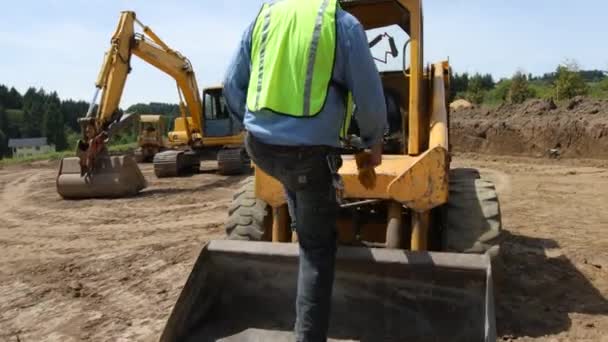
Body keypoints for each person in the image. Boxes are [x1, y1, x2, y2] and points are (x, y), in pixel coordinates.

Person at [224, 0, 387, 340]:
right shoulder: (342, 24)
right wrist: (372, 142)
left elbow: (232, 84)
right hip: (309, 156)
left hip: (263, 148)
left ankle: (302, 217)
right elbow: (369, 96)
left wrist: (254, 127)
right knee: (316, 248)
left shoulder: (265, 16)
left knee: (298, 190)